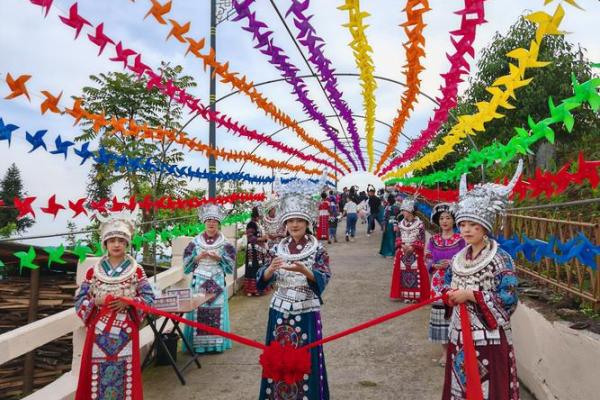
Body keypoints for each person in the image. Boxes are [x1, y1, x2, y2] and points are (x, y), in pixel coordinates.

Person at [442, 161, 522, 400]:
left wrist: (472, 296)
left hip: (490, 338)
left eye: (473, 226)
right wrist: (449, 294)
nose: (466, 230)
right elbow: (446, 284)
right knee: (462, 386)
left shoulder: (500, 260)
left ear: (485, 228)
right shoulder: (458, 258)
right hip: (459, 333)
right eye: (463, 224)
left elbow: (509, 300)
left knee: (489, 389)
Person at [257, 187, 332, 400]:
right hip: (279, 310)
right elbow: (262, 279)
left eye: (299, 220)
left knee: (307, 358)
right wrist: (270, 270)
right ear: (285, 224)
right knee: (278, 360)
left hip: (306, 309)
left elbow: (324, 276)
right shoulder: (276, 248)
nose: (295, 225)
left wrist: (305, 271)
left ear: (308, 222)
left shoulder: (318, 250)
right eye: (290, 221)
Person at [74, 209, 154, 400]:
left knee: (125, 372)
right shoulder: (93, 272)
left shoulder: (137, 271)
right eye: (112, 240)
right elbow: (79, 300)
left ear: (127, 243)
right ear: (105, 244)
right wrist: (95, 301)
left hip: (125, 331)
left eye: (121, 240)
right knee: (97, 371)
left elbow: (149, 298)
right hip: (99, 331)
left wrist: (130, 303)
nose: (116, 244)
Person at [183, 204, 236, 353]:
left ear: (218, 223)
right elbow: (186, 262)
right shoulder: (194, 242)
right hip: (200, 279)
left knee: (215, 309)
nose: (211, 223)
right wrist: (197, 257)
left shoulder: (225, 243)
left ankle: (215, 345)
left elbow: (231, 264)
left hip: (217, 279)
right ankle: (199, 346)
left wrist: (219, 258)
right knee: (200, 309)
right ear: (204, 223)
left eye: (214, 220)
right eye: (208, 220)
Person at [425, 203, 465, 366]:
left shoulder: (461, 240)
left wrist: (452, 263)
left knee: (457, 316)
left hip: (456, 282)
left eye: (448, 218)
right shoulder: (433, 240)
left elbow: (465, 258)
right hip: (437, 284)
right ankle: (445, 352)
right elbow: (427, 258)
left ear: (454, 221)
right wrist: (434, 265)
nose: (445, 221)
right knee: (441, 317)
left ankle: (459, 351)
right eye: (442, 218)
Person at [389, 197, 429, 302]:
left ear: (410, 211)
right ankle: (405, 295)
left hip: (415, 251)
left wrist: (412, 247)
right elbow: (397, 236)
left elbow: (421, 238)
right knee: (403, 273)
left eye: (404, 210)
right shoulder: (400, 223)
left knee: (416, 273)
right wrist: (401, 245)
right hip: (403, 252)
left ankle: (415, 296)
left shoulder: (419, 224)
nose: (402, 212)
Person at [244, 206, 269, 296]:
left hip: (260, 250)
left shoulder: (259, 224)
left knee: (259, 268)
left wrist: (265, 239)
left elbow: (263, 237)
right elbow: (250, 237)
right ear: (257, 214)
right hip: (253, 251)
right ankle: (251, 290)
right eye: (261, 214)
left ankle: (259, 288)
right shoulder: (251, 224)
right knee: (253, 268)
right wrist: (262, 238)